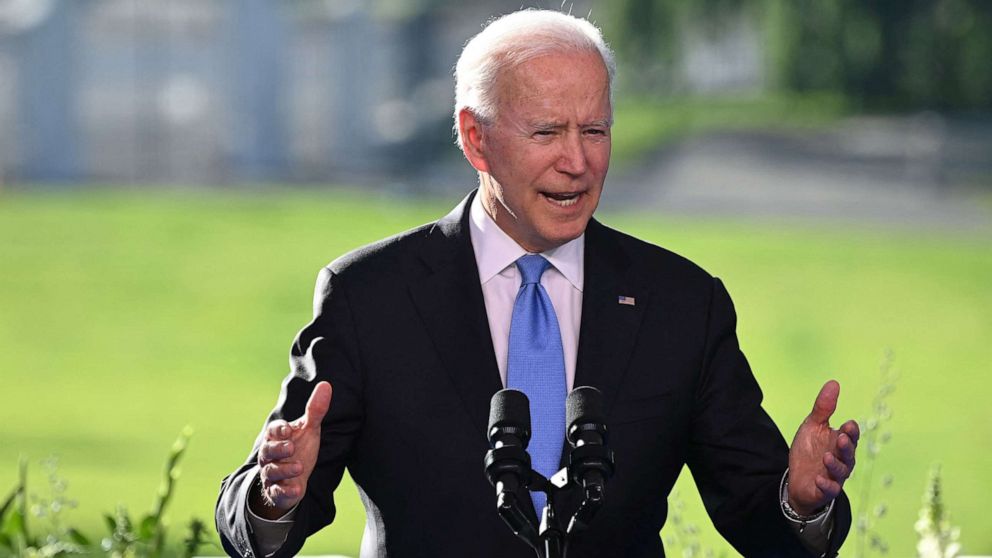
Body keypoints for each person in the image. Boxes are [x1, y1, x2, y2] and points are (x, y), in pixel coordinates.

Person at [216, 9, 859, 558]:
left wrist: (802, 503)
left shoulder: (682, 304)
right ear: (475, 137)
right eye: (548, 131)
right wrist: (275, 498)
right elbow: (259, 516)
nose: (577, 161)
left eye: (595, 131)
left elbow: (762, 515)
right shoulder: (369, 298)